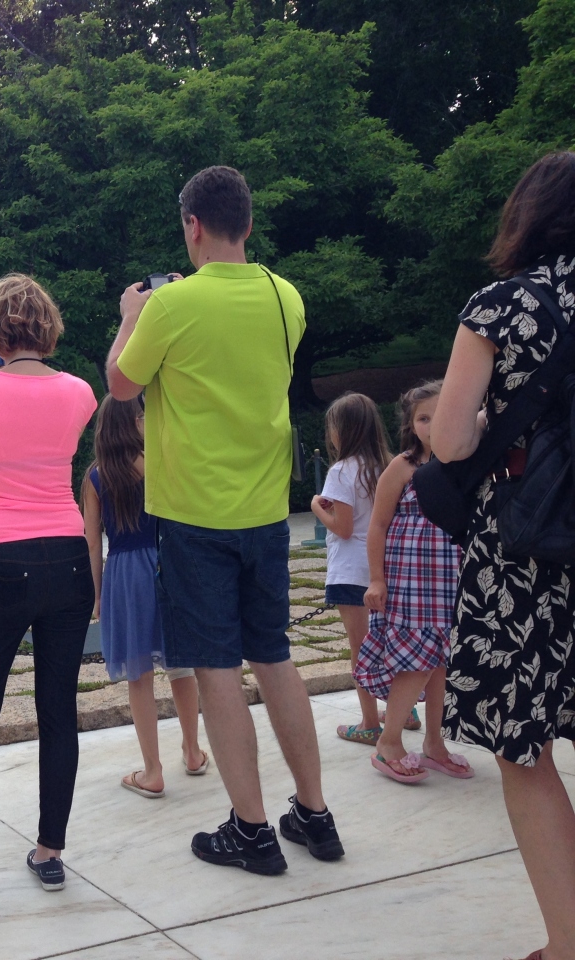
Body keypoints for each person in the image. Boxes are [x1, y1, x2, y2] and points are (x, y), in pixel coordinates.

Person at [106, 165, 343, 875]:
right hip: (266, 510)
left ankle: (250, 829)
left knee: (215, 669)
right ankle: (315, 813)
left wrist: (131, 315)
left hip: (192, 515)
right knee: (274, 658)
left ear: (193, 226)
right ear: (248, 222)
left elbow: (120, 386)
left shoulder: (170, 309)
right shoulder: (286, 296)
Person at [432, 151, 575, 960]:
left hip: (524, 554)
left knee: (526, 748)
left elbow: (450, 439)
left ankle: (566, 942)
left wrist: (500, 429)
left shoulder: (505, 305)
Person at [0, 273, 97, 893]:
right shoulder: (80, 392)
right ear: (46, 326)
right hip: (65, 553)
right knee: (58, 712)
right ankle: (50, 850)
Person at [82, 394, 207, 798]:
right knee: (181, 664)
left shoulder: (96, 478)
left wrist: (97, 597)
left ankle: (152, 770)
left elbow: (91, 545)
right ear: (135, 422)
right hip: (164, 564)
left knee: (138, 674)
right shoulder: (159, 462)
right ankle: (192, 750)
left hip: (123, 574)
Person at [359, 382, 471, 783]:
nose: (432, 425)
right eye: (424, 418)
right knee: (418, 662)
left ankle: (434, 743)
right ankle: (389, 742)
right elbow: (378, 525)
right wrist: (376, 579)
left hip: (451, 580)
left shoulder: (464, 463)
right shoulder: (403, 467)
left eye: (441, 416)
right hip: (411, 583)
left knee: (441, 664)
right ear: (411, 424)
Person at [311, 392, 395, 747]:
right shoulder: (389, 464)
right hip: (386, 566)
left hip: (350, 571)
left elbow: (342, 528)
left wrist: (317, 506)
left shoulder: (341, 470)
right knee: (392, 642)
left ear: (342, 431)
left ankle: (369, 721)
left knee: (359, 647)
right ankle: (404, 709)